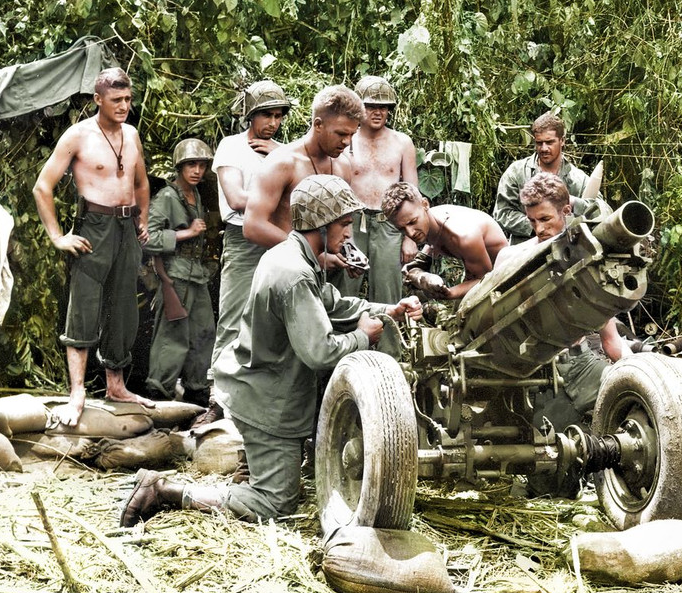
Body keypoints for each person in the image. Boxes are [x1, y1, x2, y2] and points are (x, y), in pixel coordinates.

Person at [120, 175, 423, 526]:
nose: (349, 233)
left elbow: (333, 304)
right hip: (266, 402)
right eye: (343, 224)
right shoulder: (294, 273)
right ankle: (163, 490)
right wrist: (361, 336)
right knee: (275, 503)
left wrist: (387, 311)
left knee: (272, 482)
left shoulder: (292, 255)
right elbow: (321, 353)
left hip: (257, 386)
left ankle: (251, 472)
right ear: (320, 225)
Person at [32, 67, 151, 427]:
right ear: (98, 100)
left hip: (125, 229)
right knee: (83, 306)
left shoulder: (131, 135)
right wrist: (57, 236)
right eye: (116, 100)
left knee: (123, 307)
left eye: (128, 99)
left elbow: (142, 183)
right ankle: (77, 391)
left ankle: (116, 386)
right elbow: (42, 187)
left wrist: (142, 218)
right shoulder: (78, 135)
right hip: (93, 227)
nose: (124, 106)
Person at [492, 173, 630, 444]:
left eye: (545, 219)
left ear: (566, 211)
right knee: (552, 469)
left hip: (580, 363)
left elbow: (611, 340)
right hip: (536, 375)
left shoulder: (584, 262)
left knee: (632, 410)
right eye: (532, 221)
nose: (539, 228)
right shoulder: (511, 259)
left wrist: (639, 376)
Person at [242, 85, 365, 275]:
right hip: (285, 271)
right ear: (318, 124)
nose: (347, 142)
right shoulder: (282, 163)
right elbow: (253, 226)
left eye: (352, 134)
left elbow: (344, 221)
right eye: (341, 133)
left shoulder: (343, 165)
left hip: (325, 275)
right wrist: (314, 255)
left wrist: (349, 252)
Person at [210, 79, 291, 364]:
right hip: (242, 239)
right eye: (266, 114)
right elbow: (235, 198)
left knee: (275, 319)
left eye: (278, 116)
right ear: (251, 115)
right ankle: (217, 396)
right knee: (233, 316)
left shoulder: (284, 152)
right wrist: (274, 200)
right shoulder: (231, 146)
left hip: (278, 238)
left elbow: (300, 196)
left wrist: (279, 156)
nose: (273, 122)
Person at [142, 138, 217, 405]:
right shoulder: (166, 197)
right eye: (190, 165)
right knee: (171, 338)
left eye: (201, 165)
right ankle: (158, 395)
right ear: (179, 167)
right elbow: (147, 238)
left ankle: (196, 392)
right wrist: (186, 233)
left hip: (195, 274)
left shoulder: (195, 194)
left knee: (204, 333)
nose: (197, 170)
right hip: (175, 275)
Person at [331, 76, 418, 303]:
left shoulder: (402, 142)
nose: (378, 112)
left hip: (389, 222)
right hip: (351, 220)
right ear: (359, 108)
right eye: (370, 106)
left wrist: (411, 238)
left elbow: (412, 193)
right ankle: (341, 337)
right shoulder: (345, 140)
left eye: (383, 107)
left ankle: (389, 339)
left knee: (388, 292)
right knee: (344, 287)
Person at [382, 182, 508, 300]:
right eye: (402, 229)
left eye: (412, 222)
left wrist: (449, 293)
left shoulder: (463, 235)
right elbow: (435, 241)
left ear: (425, 204)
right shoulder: (429, 221)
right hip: (479, 277)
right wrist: (421, 266)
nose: (410, 233)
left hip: (504, 277)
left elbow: (485, 281)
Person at [493, 112, 592, 244]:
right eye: (539, 143)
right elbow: (502, 213)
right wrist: (537, 225)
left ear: (562, 141)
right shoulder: (516, 172)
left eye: (550, 142)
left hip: (567, 253)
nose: (544, 148)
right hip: (524, 249)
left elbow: (602, 210)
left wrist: (574, 203)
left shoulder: (578, 179)